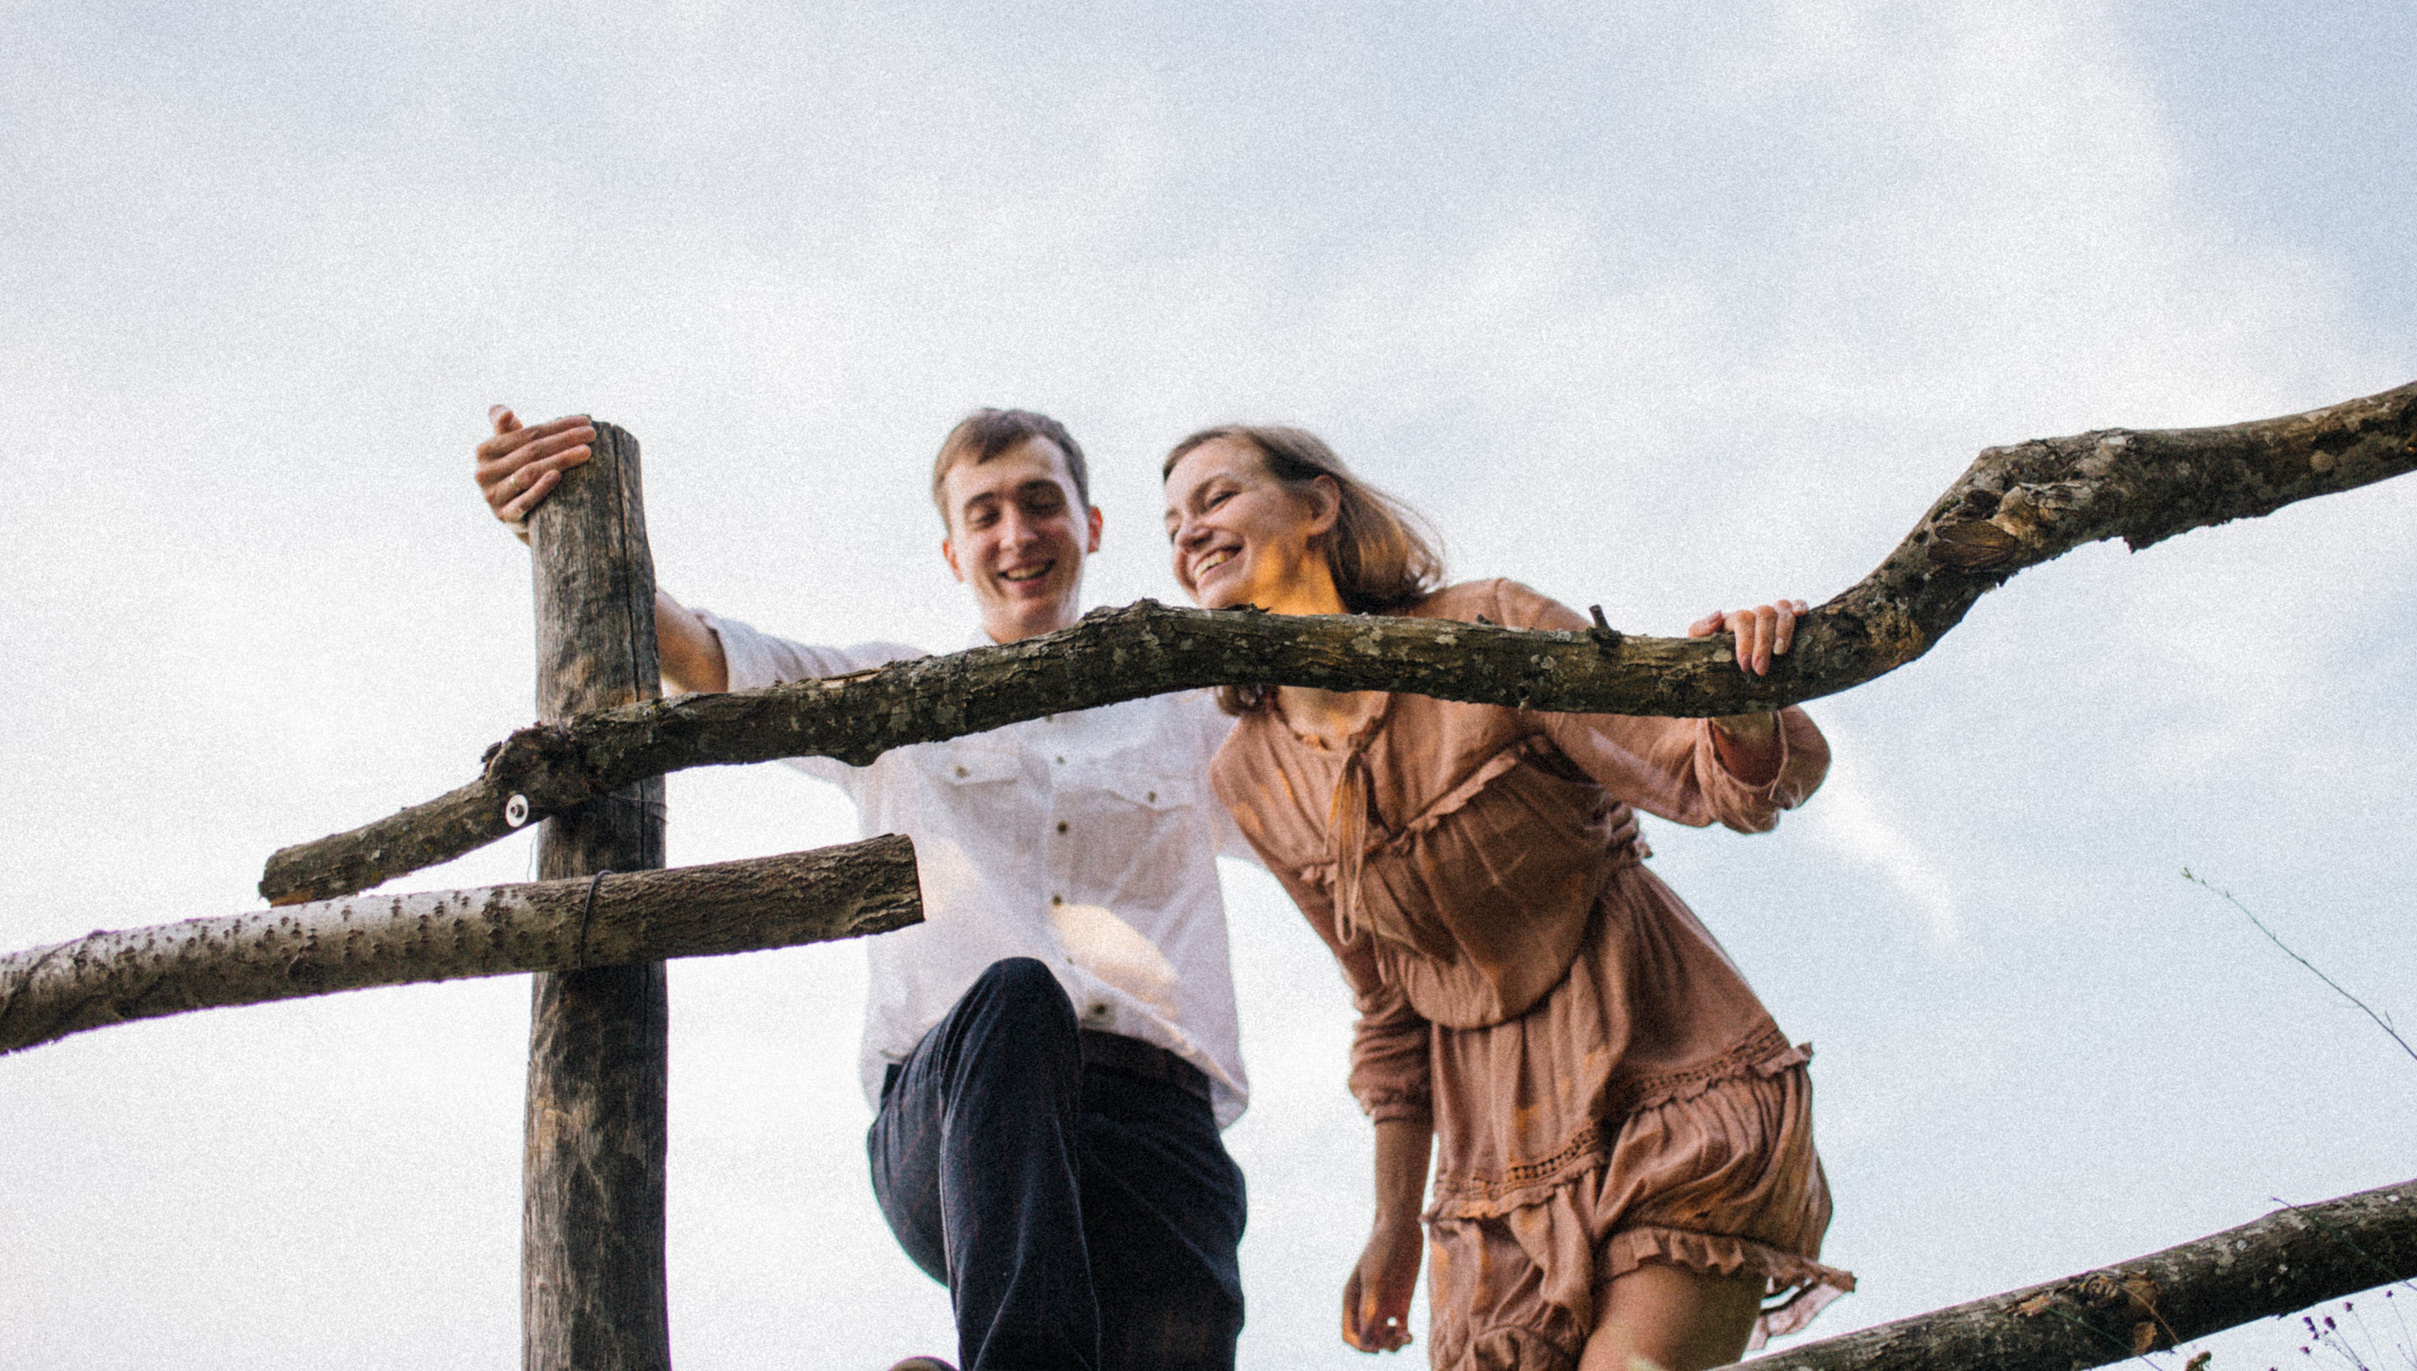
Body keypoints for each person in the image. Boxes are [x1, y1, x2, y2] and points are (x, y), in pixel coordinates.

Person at [478, 405, 1253, 1371]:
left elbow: (1343, 793)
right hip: (956, 1117)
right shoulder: (896, 694)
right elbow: (713, 659)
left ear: (1091, 525)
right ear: (951, 549)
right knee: (1016, 997)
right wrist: (557, 521)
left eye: (1041, 502)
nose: (1016, 535)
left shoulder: (1187, 717)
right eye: (986, 513)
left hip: (1158, 1128)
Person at [1160, 425, 1852, 1371]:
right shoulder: (1252, 775)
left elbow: (1695, 769)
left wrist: (1739, 700)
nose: (1190, 531)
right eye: (1172, 522)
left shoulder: (1485, 626)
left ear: (1319, 506)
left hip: (1662, 1070)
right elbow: (1389, 1007)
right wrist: (1393, 1223)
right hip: (1497, 1163)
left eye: (1216, 497)